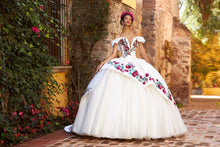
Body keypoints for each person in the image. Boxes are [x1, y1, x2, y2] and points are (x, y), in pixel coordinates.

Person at [64, 12, 187, 140]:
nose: (128, 21)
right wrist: (102, 63)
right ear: (122, 21)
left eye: (129, 19)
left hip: (136, 62)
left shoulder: (137, 36)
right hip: (122, 61)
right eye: (125, 19)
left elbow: (142, 51)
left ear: (131, 22)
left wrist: (149, 64)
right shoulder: (118, 37)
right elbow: (113, 54)